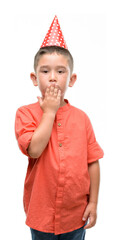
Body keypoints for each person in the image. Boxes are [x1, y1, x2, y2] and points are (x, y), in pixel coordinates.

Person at [15, 16, 104, 240]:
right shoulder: (25, 113)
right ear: (34, 78)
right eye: (45, 72)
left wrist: (93, 202)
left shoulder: (82, 118)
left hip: (75, 215)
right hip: (42, 214)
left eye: (60, 72)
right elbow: (34, 149)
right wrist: (50, 112)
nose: (53, 78)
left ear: (71, 79)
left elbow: (92, 161)